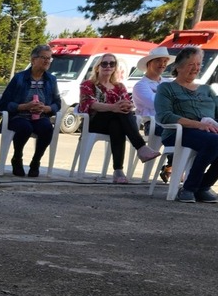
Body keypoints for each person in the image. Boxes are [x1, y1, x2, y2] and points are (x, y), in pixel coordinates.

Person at [77, 53, 160, 184]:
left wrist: (126, 106)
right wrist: (113, 107)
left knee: (117, 124)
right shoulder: (88, 84)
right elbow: (89, 104)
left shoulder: (119, 86)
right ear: (98, 67)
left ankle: (118, 171)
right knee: (119, 113)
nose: (108, 66)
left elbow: (126, 103)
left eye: (112, 64)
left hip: (113, 122)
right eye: (104, 63)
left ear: (115, 68)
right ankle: (141, 147)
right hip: (94, 122)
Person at [154, 46, 218, 203]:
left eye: (199, 64)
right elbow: (165, 116)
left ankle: (202, 187)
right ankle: (189, 188)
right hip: (180, 132)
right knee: (214, 141)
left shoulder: (206, 89)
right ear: (178, 67)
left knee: (214, 140)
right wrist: (197, 125)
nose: (196, 68)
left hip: (209, 131)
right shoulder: (167, 88)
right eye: (191, 64)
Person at [0, 44, 62, 177]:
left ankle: (35, 162)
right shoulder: (19, 78)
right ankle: (17, 158)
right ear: (33, 60)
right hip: (18, 116)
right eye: (43, 57)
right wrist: (23, 107)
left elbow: (57, 103)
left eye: (49, 58)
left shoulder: (51, 80)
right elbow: (4, 103)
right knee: (25, 127)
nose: (46, 61)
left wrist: (46, 108)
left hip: (40, 116)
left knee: (47, 128)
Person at [132, 46, 175, 181]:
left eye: (164, 61)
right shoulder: (140, 85)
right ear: (149, 63)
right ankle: (172, 167)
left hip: (172, 120)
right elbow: (155, 103)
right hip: (153, 122)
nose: (162, 64)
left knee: (185, 133)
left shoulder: (169, 83)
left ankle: (172, 166)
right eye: (158, 61)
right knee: (175, 133)